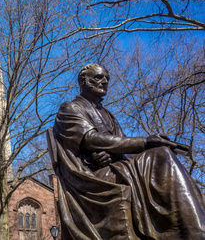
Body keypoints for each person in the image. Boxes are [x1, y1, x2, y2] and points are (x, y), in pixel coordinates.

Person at [47, 63, 205, 240]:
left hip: (112, 169)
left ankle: (186, 229)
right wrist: (145, 142)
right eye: (99, 77)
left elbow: (123, 147)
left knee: (161, 153)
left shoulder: (108, 115)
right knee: (160, 156)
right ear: (84, 81)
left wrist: (113, 154)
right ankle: (195, 232)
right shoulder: (70, 108)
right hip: (89, 179)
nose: (105, 82)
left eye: (107, 78)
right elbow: (91, 139)